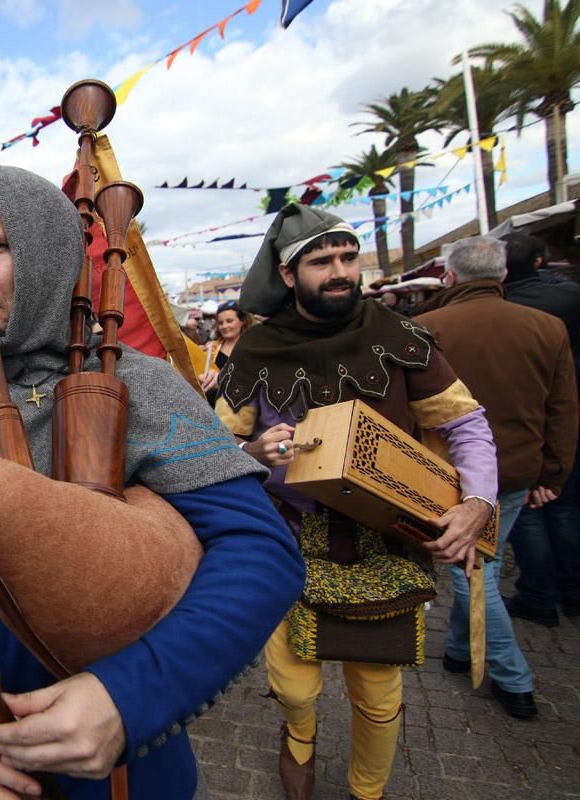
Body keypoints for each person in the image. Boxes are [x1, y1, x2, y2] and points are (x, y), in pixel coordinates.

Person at [0, 159, 304, 799]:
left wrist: (129, 694)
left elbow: (260, 553)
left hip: (128, 759)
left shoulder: (139, 384)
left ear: (46, 252)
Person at [217, 204, 498, 800]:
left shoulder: (400, 335)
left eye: (348, 257)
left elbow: (467, 424)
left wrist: (477, 503)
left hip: (384, 538)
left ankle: (367, 791)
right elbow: (213, 445)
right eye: (322, 261)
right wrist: (252, 451)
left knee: (377, 691)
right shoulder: (255, 348)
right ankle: (299, 736)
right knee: (293, 687)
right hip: (288, 540)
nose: (341, 270)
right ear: (289, 275)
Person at [415, 236, 576, 719]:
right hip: (519, 469)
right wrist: (555, 472)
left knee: (474, 575)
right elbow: (563, 408)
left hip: (448, 475)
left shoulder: (425, 326)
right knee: (482, 566)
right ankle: (461, 651)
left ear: (451, 276)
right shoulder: (547, 327)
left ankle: (513, 677)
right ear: (502, 275)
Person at [501, 231, 580, 625]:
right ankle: (571, 590)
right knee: (563, 507)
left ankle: (539, 596)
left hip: (516, 434)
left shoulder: (503, 307)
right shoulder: (569, 300)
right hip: (558, 424)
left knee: (529, 517)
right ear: (539, 262)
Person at [197, 300, 253, 404]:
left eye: (229, 321)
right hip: (214, 405)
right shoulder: (211, 348)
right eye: (221, 323)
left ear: (242, 321)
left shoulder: (253, 347)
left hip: (243, 405)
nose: (224, 326)